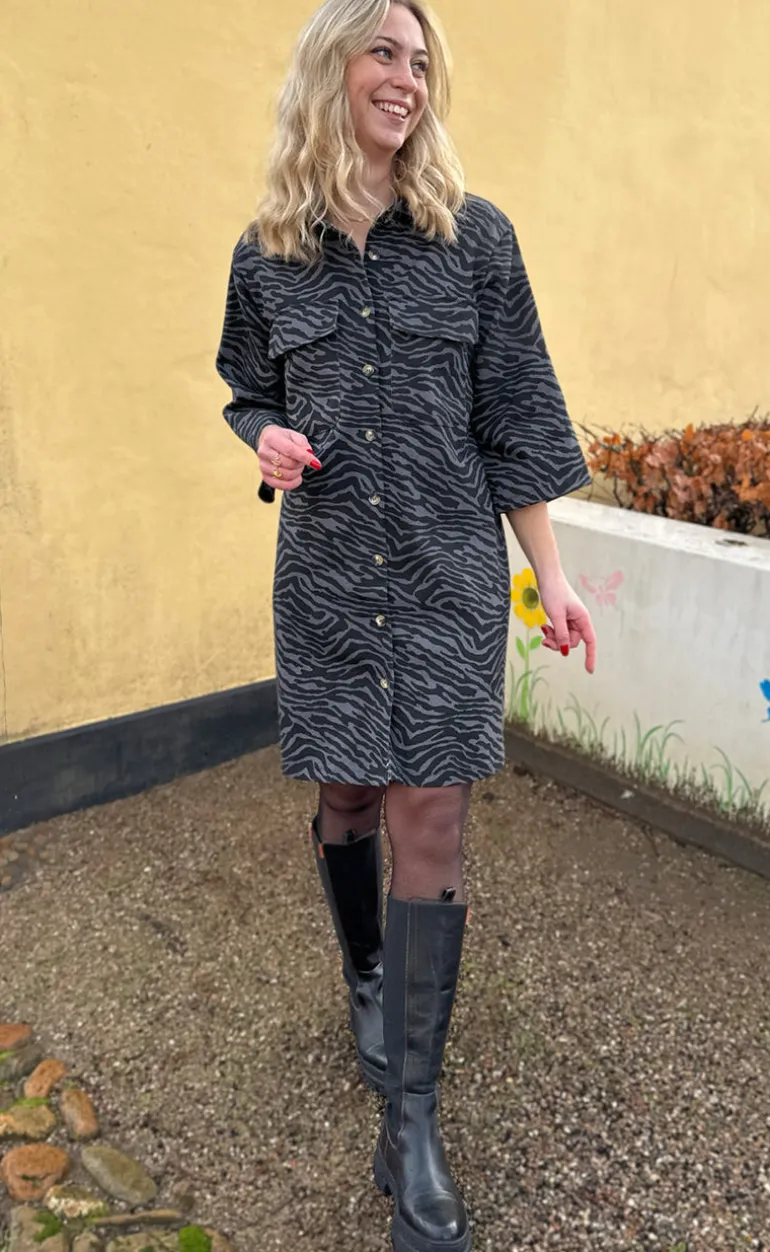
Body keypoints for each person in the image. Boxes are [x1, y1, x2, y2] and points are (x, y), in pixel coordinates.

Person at [216, 1, 596, 1247]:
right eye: (382, 52)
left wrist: (550, 579)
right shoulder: (267, 253)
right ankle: (367, 969)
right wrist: (264, 439)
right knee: (349, 794)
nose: (405, 78)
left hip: (444, 576)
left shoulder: (475, 239)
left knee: (431, 811)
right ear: (330, 68)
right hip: (329, 576)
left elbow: (518, 419)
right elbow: (247, 390)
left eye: (420, 61)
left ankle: (412, 1123)